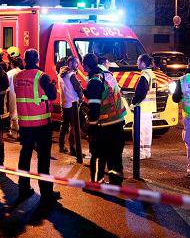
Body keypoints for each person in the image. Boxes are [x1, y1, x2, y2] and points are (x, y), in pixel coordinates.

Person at [13, 48, 59, 208]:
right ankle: (46, 194)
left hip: (25, 123)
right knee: (43, 158)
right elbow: (53, 95)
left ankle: (23, 188)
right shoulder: (42, 76)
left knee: (25, 155)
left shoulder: (18, 77)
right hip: (41, 123)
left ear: (25, 60)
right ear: (37, 59)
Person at [83, 52, 127, 185]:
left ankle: (96, 182)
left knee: (97, 154)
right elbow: (107, 93)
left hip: (104, 124)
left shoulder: (94, 81)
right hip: (118, 121)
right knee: (115, 155)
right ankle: (116, 182)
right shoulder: (107, 74)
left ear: (86, 66)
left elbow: (95, 109)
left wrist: (91, 128)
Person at [131, 54, 157, 160]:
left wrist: (134, 102)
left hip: (141, 108)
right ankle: (146, 152)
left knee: (138, 131)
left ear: (143, 63)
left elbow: (141, 93)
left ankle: (140, 153)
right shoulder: (152, 74)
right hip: (149, 108)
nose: (137, 63)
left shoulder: (144, 75)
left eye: (138, 61)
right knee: (147, 131)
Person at [58, 56, 83, 156]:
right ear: (71, 63)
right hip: (73, 103)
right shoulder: (72, 75)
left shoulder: (60, 74)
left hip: (64, 103)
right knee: (73, 127)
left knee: (64, 125)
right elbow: (78, 88)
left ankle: (61, 146)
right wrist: (81, 97)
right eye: (76, 63)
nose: (77, 65)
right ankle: (73, 149)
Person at [6, 46, 24, 139]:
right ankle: (19, 131)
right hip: (20, 95)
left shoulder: (9, 74)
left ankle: (14, 132)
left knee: (13, 113)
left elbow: (5, 86)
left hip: (12, 94)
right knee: (18, 112)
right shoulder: (21, 72)